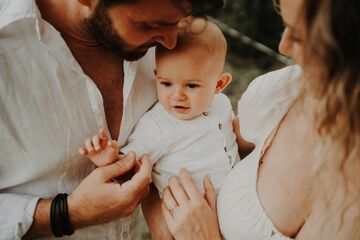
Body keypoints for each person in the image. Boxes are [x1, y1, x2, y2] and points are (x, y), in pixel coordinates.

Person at [0, 0, 223, 239]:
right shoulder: (7, 50)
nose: (170, 42)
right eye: (150, 25)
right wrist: (67, 213)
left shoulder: (167, 41)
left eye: (177, 22)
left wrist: (158, 213)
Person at [160, 0, 360, 239]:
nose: (283, 47)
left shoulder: (351, 197)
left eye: (299, 37)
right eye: (286, 26)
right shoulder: (282, 92)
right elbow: (219, 138)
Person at [79, 18, 240, 238]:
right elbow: (129, 167)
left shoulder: (222, 105)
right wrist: (108, 159)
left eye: (191, 85)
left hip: (237, 207)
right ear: (156, 76)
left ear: (219, 85)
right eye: (166, 83)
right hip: (190, 224)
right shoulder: (156, 125)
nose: (177, 95)